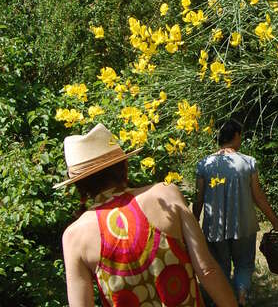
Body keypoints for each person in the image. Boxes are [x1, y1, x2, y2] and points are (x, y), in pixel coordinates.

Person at [56, 123, 238, 307]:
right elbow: (207, 270)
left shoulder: (74, 237)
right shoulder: (166, 194)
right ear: (124, 165)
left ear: (79, 186)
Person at [192, 120, 278, 306]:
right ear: (235, 136)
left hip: (214, 228)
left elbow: (199, 198)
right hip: (244, 225)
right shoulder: (248, 162)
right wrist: (276, 222)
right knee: (244, 263)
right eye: (240, 136)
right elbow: (258, 197)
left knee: (220, 267)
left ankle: (224, 301)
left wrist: (194, 223)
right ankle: (242, 297)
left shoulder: (204, 165)